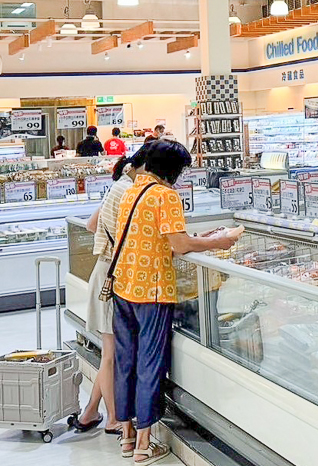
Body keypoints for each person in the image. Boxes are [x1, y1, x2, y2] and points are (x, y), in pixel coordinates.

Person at [112, 140, 238, 464]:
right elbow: (179, 245)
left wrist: (203, 238)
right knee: (150, 363)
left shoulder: (131, 192)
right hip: (151, 292)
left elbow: (155, 240)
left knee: (126, 361)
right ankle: (144, 444)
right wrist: (219, 241)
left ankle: (126, 436)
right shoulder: (165, 196)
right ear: (173, 169)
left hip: (123, 287)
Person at [75, 145, 150, 435]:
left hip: (104, 271)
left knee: (111, 351)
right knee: (110, 355)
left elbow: (92, 225)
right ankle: (113, 419)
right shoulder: (128, 191)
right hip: (112, 277)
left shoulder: (118, 187)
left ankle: (90, 412)